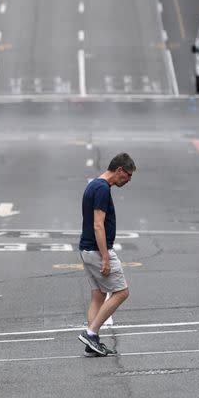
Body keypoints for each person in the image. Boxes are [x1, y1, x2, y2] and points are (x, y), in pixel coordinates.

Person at [78, 153, 136, 357]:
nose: (128, 180)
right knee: (121, 292)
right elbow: (97, 225)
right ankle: (91, 334)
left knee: (98, 295)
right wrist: (105, 257)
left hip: (86, 249)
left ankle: (91, 342)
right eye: (128, 175)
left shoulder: (94, 185)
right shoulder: (102, 189)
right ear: (119, 170)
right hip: (97, 250)